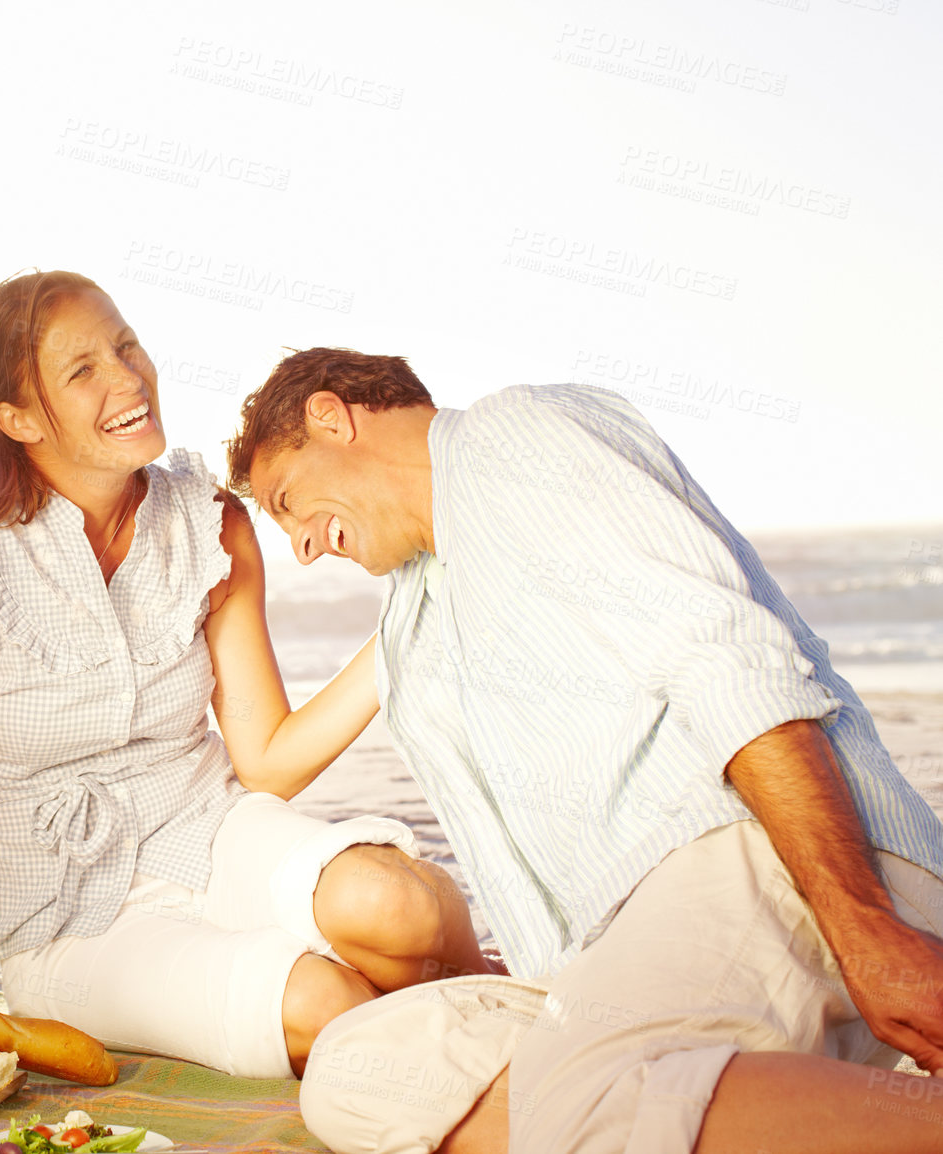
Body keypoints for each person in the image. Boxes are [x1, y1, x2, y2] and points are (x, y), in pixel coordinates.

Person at [0, 273, 495, 1078]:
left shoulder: (210, 521)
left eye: (125, 346)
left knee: (403, 908)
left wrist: (408, 626)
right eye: (82, 370)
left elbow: (264, 759)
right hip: (66, 928)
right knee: (328, 1006)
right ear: (16, 418)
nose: (127, 378)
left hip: (208, 834)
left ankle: (513, 1006)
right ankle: (488, 1076)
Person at [227, 348, 943, 1152]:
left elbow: (727, 660)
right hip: (618, 948)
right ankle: (768, 1107)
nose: (304, 550)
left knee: (585, 1098)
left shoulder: (512, 442)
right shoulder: (412, 621)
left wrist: (863, 921)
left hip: (758, 846)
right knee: (358, 1073)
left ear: (332, 416)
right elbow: (273, 761)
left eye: (289, 503)